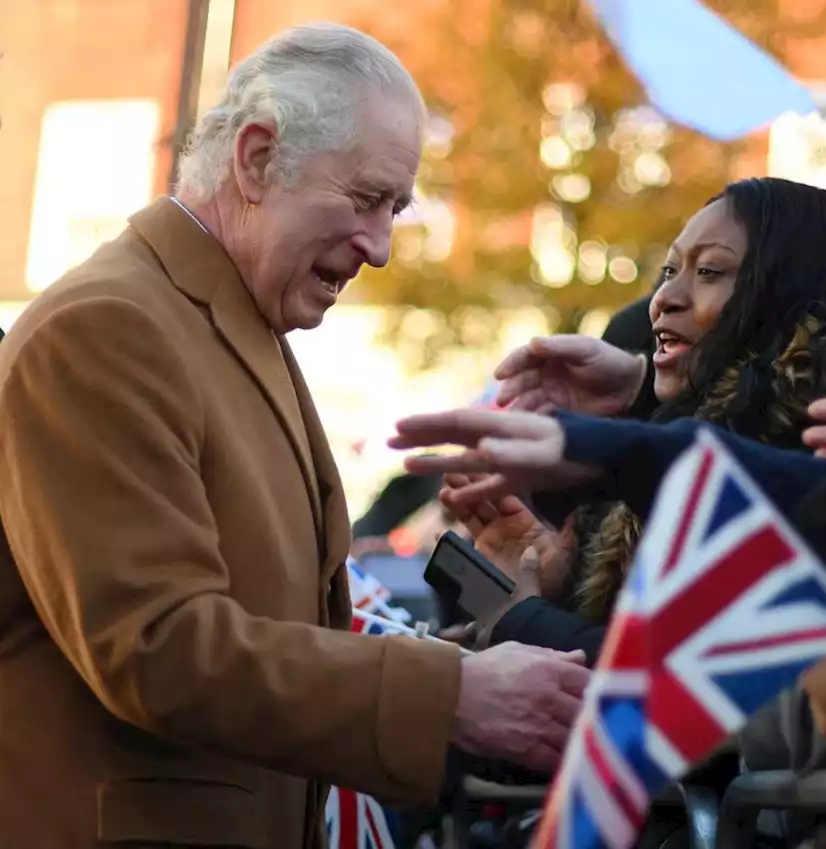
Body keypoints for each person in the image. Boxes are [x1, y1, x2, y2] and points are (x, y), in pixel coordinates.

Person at [0, 24, 587, 849]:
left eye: (397, 210)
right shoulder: (109, 328)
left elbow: (279, 627)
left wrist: (484, 656)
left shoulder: (224, 322)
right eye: (366, 199)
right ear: (256, 158)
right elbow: (158, 647)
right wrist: (450, 691)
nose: (381, 248)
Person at [447, 178, 826, 655]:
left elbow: (702, 692)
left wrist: (525, 621)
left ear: (785, 292)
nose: (664, 299)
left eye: (710, 272)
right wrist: (553, 580)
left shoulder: (820, 454)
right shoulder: (689, 423)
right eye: (669, 271)